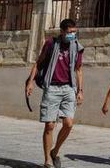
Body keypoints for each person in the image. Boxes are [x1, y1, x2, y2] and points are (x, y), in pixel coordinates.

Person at [25, 18, 84, 168]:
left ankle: (55, 150)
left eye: (74, 32)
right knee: (50, 125)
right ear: (62, 31)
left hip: (68, 88)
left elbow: (78, 70)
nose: (72, 35)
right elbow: (38, 63)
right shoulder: (51, 43)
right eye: (70, 32)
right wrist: (30, 82)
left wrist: (80, 90)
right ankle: (47, 160)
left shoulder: (77, 47)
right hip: (51, 87)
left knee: (68, 124)